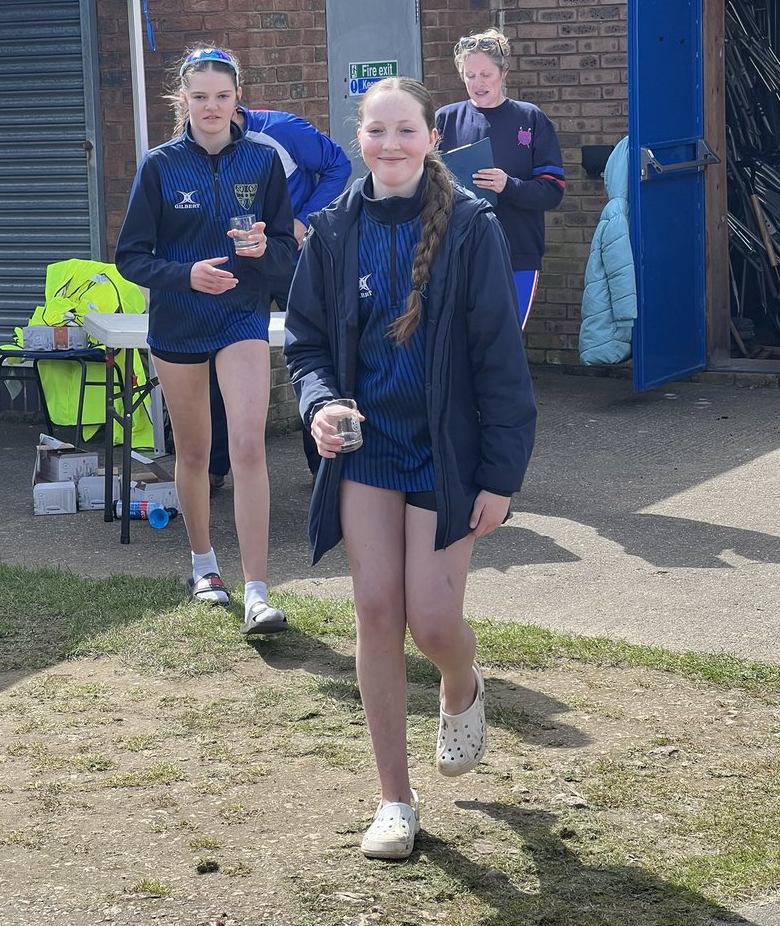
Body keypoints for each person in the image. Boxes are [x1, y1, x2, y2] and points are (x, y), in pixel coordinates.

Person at [284, 77, 536, 860]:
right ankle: (395, 797)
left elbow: (499, 358)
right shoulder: (332, 231)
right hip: (368, 452)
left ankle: (462, 686)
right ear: (358, 138)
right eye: (375, 131)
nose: (389, 145)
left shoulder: (470, 227)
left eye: (405, 131)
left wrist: (501, 475)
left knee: (431, 622)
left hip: (447, 456)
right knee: (376, 612)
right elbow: (307, 345)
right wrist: (320, 404)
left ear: (431, 138)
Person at [115, 46, 298, 634]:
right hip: (178, 323)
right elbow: (131, 258)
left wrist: (263, 250)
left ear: (237, 97)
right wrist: (185, 274)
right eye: (200, 96)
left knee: (247, 446)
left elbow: (288, 258)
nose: (212, 106)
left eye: (222, 95)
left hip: (242, 318)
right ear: (183, 101)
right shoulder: (160, 165)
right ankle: (203, 567)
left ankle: (258, 590)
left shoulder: (263, 163)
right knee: (194, 452)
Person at [208, 104, 352, 490]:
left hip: (292, 257)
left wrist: (304, 220)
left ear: (234, 101)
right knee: (218, 354)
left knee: (313, 349)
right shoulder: (199, 142)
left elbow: (339, 165)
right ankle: (213, 466)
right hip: (239, 261)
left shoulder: (282, 129)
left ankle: (324, 465)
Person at [435, 27, 565, 328]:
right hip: (459, 250)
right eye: (469, 75)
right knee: (463, 342)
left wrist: (509, 185)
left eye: (485, 74)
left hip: (517, 251)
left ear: (503, 72)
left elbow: (553, 190)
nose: (477, 83)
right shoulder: (445, 119)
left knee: (508, 340)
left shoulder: (531, 118)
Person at [579, 136, 637, 365]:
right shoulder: (618, 216)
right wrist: (626, 318)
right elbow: (620, 273)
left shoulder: (617, 212)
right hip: (613, 327)